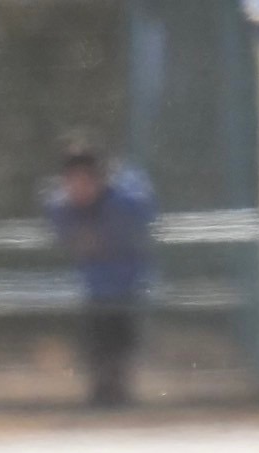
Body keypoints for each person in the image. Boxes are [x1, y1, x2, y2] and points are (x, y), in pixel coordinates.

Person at [44, 137, 157, 408]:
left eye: (85, 179)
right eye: (73, 180)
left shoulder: (126, 202)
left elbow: (133, 230)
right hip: (94, 288)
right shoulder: (61, 206)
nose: (79, 187)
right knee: (96, 333)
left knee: (120, 333)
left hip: (128, 284)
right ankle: (102, 388)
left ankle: (118, 388)